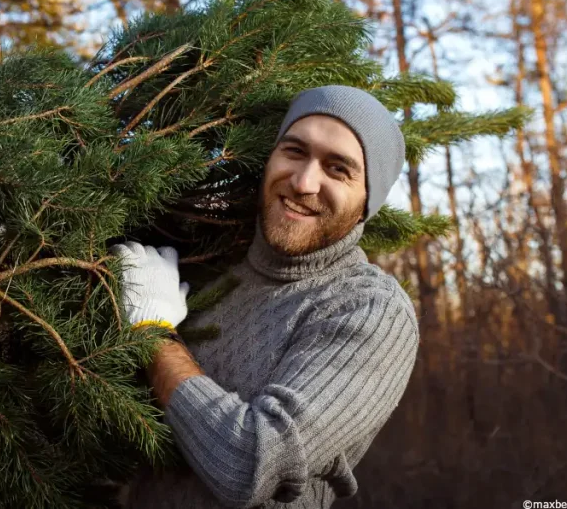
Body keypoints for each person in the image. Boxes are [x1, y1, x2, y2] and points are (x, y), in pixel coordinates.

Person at [109, 85, 420, 508]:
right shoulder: (210, 263)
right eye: (294, 151)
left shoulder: (367, 308)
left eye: (338, 169)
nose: (304, 181)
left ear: (368, 202)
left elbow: (251, 465)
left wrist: (154, 332)